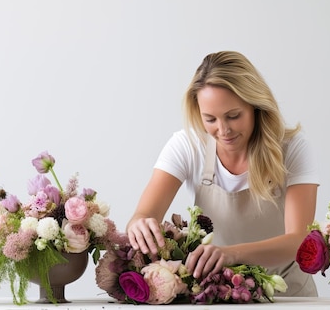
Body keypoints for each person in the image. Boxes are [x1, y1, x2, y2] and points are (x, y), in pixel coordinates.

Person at [126, 51, 318, 297]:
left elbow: (299, 240)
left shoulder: (292, 148)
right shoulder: (188, 146)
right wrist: (139, 224)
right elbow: (143, 215)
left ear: (255, 106)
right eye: (210, 119)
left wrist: (231, 253)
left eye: (233, 116)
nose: (223, 130)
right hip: (221, 296)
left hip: (290, 296)